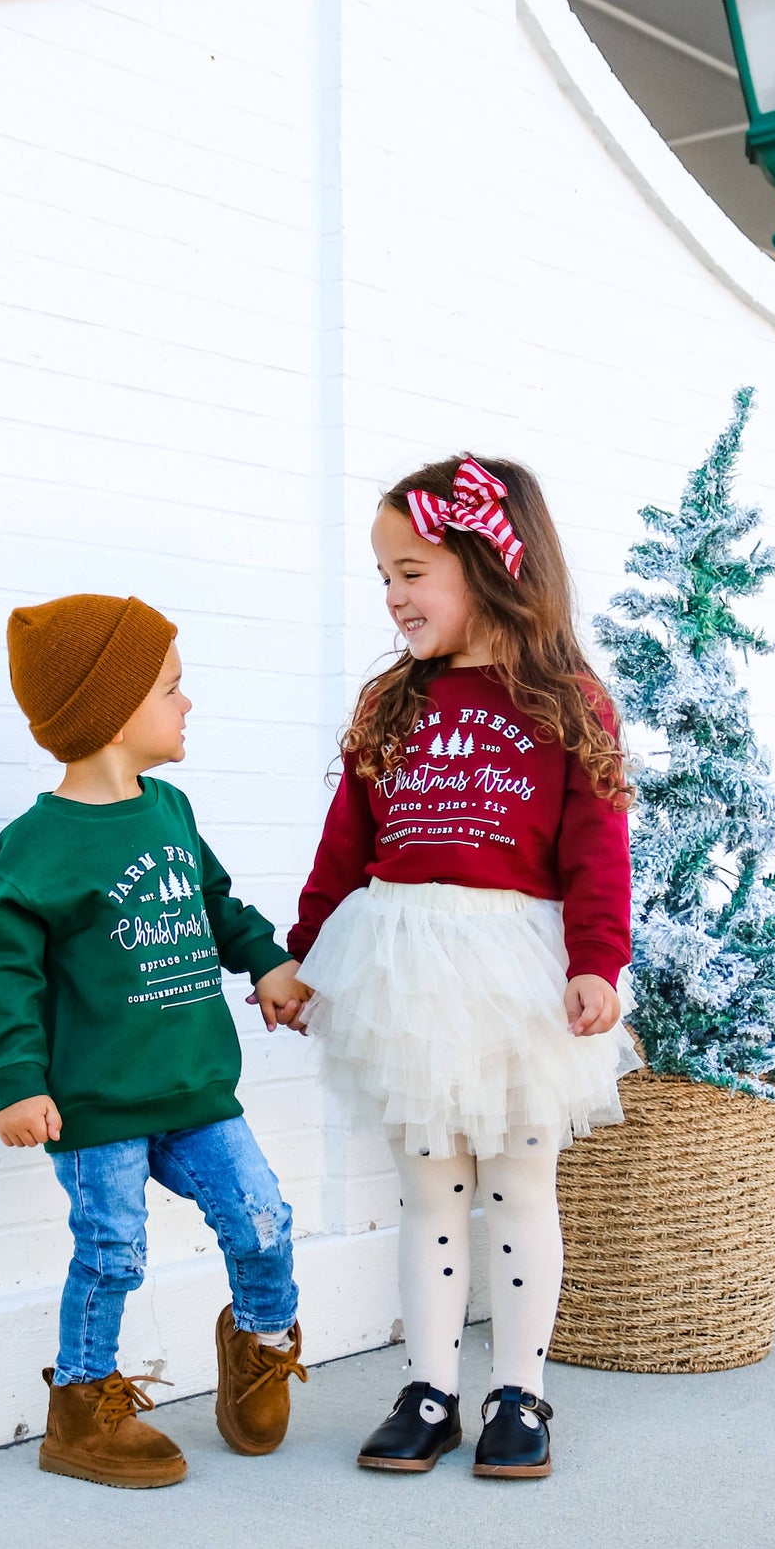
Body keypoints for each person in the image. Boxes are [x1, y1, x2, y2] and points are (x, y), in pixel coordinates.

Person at [290, 457, 640, 1479]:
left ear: (489, 566)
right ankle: (429, 1386)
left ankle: (518, 1393)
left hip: (512, 973)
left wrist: (596, 961)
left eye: (410, 571)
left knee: (518, 1183)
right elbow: (342, 843)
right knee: (430, 1190)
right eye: (383, 577)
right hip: (403, 971)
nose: (392, 596)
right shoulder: (390, 702)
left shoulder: (567, 701)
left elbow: (594, 847)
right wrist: (300, 953)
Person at [0, 593, 309, 1489]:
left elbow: (215, 904)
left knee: (263, 1218)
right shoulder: (38, 847)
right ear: (113, 712)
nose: (186, 704)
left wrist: (266, 965)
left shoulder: (170, 810)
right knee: (113, 1252)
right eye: (171, 688)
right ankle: (80, 1407)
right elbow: (6, 971)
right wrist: (16, 1082)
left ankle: (261, 1341)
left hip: (194, 1088)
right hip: (97, 1104)